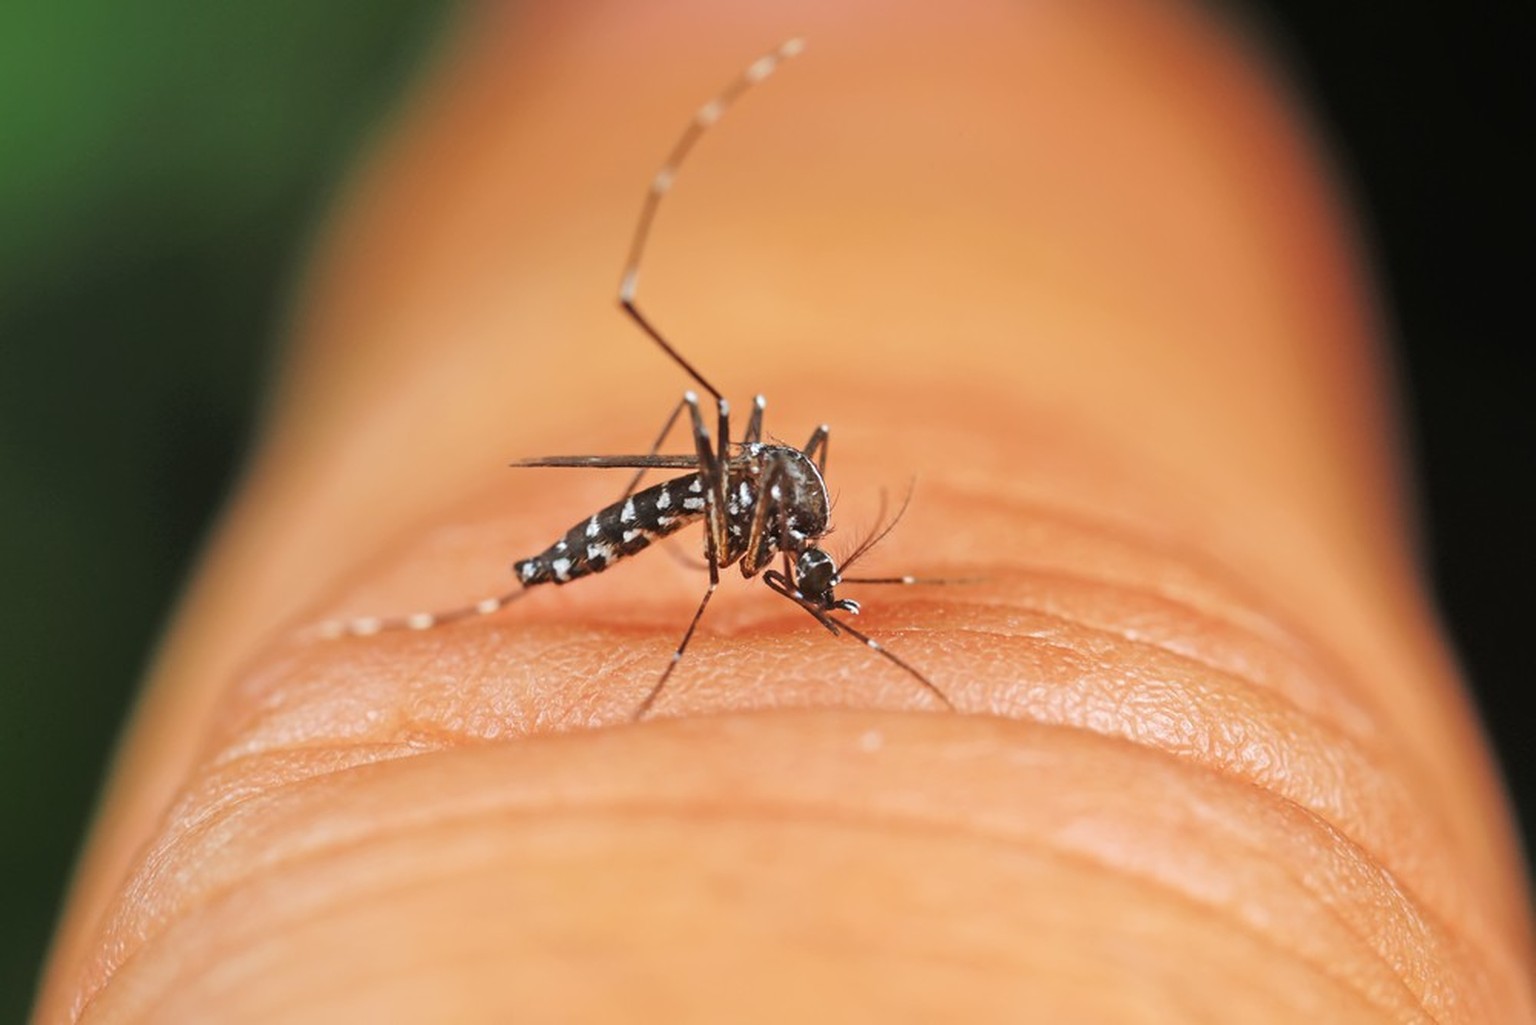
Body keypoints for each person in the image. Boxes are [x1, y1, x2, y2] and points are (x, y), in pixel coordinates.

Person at [36, 1, 1533, 1020]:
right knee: (685, 393)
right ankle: (494, 577)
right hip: (670, 486)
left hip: (722, 481)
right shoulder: (748, 507)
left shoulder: (791, 519)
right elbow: (725, 500)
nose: (819, 577)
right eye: (815, 572)